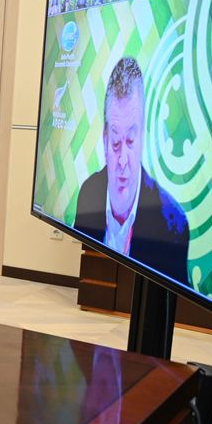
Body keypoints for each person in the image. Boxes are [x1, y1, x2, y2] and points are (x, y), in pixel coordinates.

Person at [73, 57, 189, 283]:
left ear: (142, 138)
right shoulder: (88, 193)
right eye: (116, 143)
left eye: (131, 141)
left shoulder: (173, 224)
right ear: (105, 140)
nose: (123, 160)